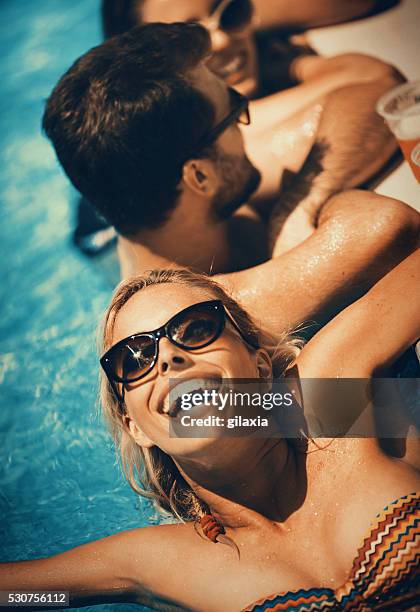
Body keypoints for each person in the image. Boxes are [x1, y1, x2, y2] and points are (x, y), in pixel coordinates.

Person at [1, 250, 419, 609]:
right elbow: (14, 595)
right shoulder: (160, 564)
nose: (166, 357)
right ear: (136, 427)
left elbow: (386, 229)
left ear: (257, 365)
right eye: (134, 359)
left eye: (197, 328)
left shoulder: (326, 408)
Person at [43, 23, 419, 337]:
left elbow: (379, 97)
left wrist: (300, 201)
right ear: (200, 175)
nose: (246, 125)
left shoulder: (192, 194)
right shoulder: (203, 323)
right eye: (236, 109)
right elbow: (387, 226)